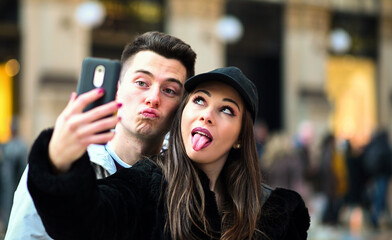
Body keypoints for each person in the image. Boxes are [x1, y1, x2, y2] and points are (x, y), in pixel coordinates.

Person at [27, 66, 310, 239]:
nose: (207, 116)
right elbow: (84, 222)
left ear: (240, 137)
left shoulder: (273, 213)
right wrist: (60, 163)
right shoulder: (145, 187)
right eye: (199, 100)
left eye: (226, 109)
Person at [5, 31, 196, 240]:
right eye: (142, 83)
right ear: (117, 89)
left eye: (169, 90)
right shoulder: (61, 165)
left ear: (182, 106)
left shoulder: (186, 177)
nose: (153, 98)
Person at [0, 118, 28, 227]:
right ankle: (6, 222)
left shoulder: (21, 146)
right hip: (6, 181)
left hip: (16, 180)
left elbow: (23, 164)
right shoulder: (6, 144)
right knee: (6, 202)